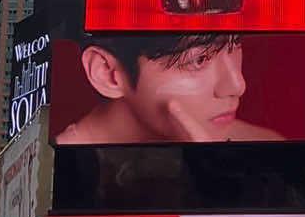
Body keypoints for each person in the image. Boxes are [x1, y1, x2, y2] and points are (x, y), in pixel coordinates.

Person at [53, 33, 284, 145]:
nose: (237, 85)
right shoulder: (55, 184)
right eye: (200, 60)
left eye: (235, 44)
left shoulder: (264, 147)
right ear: (107, 74)